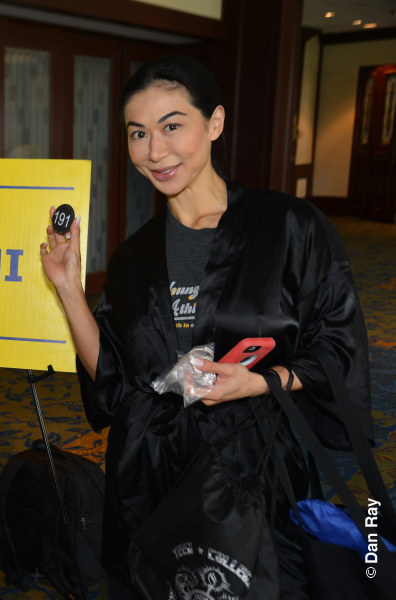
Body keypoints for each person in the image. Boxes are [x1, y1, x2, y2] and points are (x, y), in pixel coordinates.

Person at [40, 55, 371, 598]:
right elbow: (115, 384)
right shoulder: (133, 258)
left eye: (172, 126)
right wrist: (68, 289)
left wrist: (262, 381)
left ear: (214, 122)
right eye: (138, 133)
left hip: (254, 466)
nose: (155, 150)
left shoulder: (288, 227)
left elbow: (338, 348)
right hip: (150, 472)